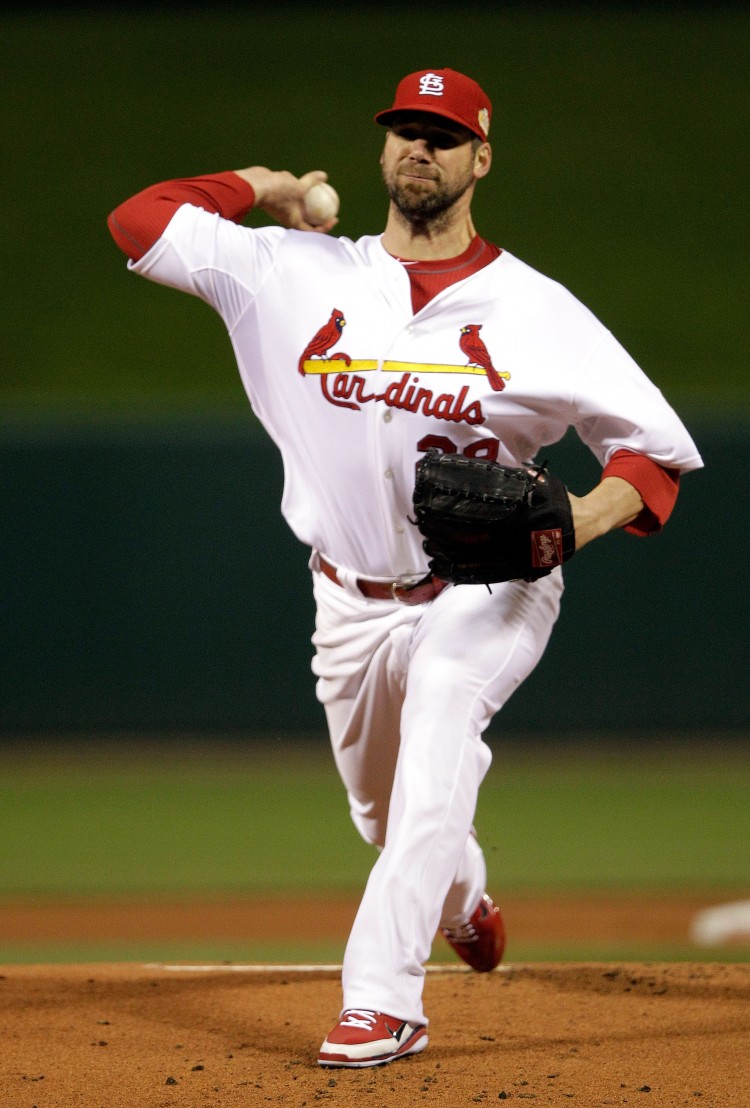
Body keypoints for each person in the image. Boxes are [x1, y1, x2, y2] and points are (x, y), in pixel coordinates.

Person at [107, 67, 703, 1068]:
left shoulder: (536, 307)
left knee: (437, 745)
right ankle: (462, 897)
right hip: (344, 595)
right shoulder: (287, 270)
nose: (416, 148)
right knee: (385, 815)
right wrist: (261, 183)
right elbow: (138, 221)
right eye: (403, 130)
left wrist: (571, 523)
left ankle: (383, 1003)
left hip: (486, 587)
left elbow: (656, 453)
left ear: (480, 158)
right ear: (383, 150)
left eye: (441, 133)